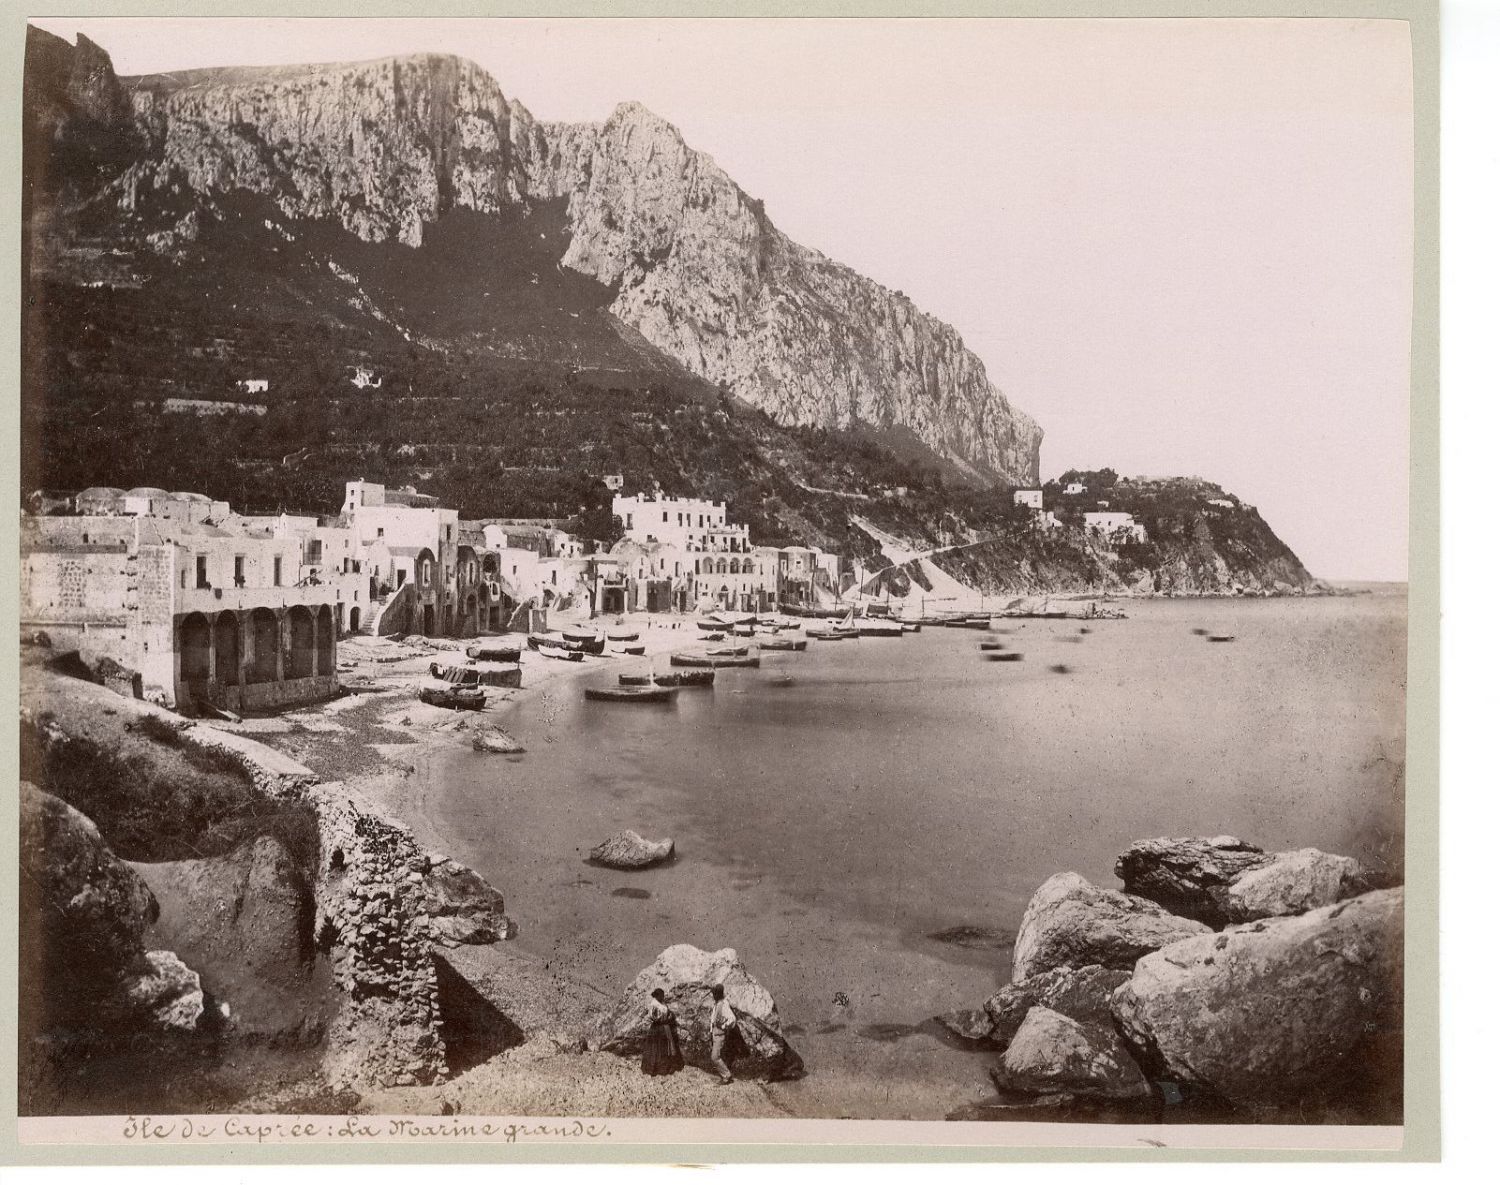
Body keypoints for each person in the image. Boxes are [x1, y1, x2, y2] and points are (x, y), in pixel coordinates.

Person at [641, 988, 683, 1077]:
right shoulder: (654, 1004)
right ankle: (655, 1069)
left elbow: (668, 1012)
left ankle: (665, 1068)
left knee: (665, 1047)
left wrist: (669, 1017)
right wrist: (663, 1019)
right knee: (657, 1047)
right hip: (657, 1028)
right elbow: (653, 1016)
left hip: (665, 1027)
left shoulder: (663, 1003)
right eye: (661, 996)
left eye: (663, 996)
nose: (663, 997)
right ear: (657, 996)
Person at [708, 984, 737, 1085]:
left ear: (718, 994)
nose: (713, 995)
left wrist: (724, 1026)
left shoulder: (724, 1005)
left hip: (720, 1035)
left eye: (714, 993)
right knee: (717, 1056)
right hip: (715, 1034)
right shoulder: (717, 1004)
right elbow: (713, 1020)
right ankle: (725, 1075)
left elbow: (732, 1019)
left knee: (715, 1057)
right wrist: (711, 1032)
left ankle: (727, 1076)